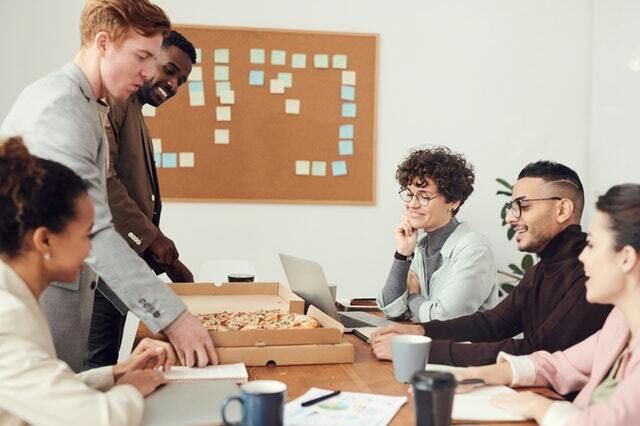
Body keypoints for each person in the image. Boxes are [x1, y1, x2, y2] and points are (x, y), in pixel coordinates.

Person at [0, 0, 216, 372]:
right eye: (143, 57)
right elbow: (95, 227)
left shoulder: (87, 104)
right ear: (103, 44)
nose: (149, 72)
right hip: (37, 306)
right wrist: (175, 319)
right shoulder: (62, 109)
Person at [0, 137, 175, 425]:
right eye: (86, 236)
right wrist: (131, 388)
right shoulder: (9, 317)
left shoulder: (15, 295)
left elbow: (49, 391)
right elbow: (98, 419)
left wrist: (117, 373)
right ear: (44, 240)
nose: (92, 250)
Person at [372, 161, 612, 367]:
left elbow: (537, 352)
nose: (510, 217)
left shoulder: (590, 272)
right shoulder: (540, 271)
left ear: (562, 210)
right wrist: (419, 331)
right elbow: (492, 323)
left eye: (523, 206)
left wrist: (420, 350)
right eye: (512, 207)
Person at [454, 184, 640, 425]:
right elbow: (558, 365)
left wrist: (539, 406)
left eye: (592, 245)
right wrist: (475, 375)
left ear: (625, 258)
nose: (583, 256)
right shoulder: (620, 322)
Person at [86, 30, 196, 368]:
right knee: (96, 368)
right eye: (169, 70)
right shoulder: (114, 102)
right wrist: (151, 238)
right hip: (97, 274)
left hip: (118, 271)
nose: (174, 85)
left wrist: (164, 257)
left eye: (182, 79)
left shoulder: (134, 109)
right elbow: (102, 180)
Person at [377, 146, 498, 323]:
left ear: (454, 202)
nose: (412, 204)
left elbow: (443, 319)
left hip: (461, 349)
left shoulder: (475, 249)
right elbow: (391, 309)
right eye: (409, 194)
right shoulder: (421, 245)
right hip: (426, 345)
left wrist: (412, 296)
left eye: (424, 196)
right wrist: (403, 255)